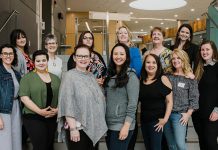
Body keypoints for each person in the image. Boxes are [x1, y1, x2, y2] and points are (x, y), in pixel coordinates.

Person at [57, 44, 107, 150]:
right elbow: (67, 103)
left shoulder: (91, 77)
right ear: (74, 58)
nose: (83, 59)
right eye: (80, 56)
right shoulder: (69, 76)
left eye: (86, 56)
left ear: (90, 58)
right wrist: (73, 128)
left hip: (92, 126)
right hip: (77, 129)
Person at [19, 50, 60, 150]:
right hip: (33, 117)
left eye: (43, 60)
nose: (41, 63)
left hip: (51, 117)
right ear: (34, 62)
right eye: (38, 61)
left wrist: (58, 109)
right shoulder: (27, 78)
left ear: (47, 61)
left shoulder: (55, 78)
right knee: (40, 146)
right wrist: (40, 112)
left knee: (49, 146)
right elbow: (24, 98)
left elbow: (62, 97)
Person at [103, 43, 139, 150]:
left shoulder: (131, 76)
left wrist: (126, 126)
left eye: (122, 54)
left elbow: (133, 104)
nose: (118, 56)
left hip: (122, 124)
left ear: (127, 57)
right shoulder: (109, 75)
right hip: (108, 124)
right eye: (115, 54)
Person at [164, 49, 199, 150]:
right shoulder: (167, 75)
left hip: (179, 115)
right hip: (166, 114)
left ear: (184, 59)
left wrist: (188, 114)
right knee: (171, 145)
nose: (175, 60)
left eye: (178, 58)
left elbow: (194, 97)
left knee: (180, 144)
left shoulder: (190, 78)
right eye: (173, 58)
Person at [139, 54, 173, 150]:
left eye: (154, 62)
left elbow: (170, 101)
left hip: (157, 122)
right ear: (144, 64)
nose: (151, 65)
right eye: (148, 62)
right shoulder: (142, 80)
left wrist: (165, 119)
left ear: (158, 65)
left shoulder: (163, 79)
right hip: (144, 120)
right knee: (148, 147)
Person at [116, 26, 142, 150]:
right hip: (118, 88)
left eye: (124, 33)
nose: (122, 35)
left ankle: (130, 143)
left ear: (128, 35)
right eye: (120, 33)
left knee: (131, 113)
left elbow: (137, 70)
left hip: (130, 85)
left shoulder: (134, 50)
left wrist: (123, 76)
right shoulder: (115, 49)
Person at [192, 40, 218, 150]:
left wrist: (217, 110)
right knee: (202, 143)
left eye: (207, 49)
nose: (205, 52)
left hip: (212, 113)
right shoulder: (198, 67)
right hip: (197, 113)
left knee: (210, 143)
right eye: (202, 50)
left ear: (213, 51)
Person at [0, 44, 22, 150]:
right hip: (3, 111)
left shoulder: (16, 73)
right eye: (5, 53)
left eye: (10, 53)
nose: (8, 56)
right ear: (0, 56)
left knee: (16, 139)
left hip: (16, 108)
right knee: (5, 142)